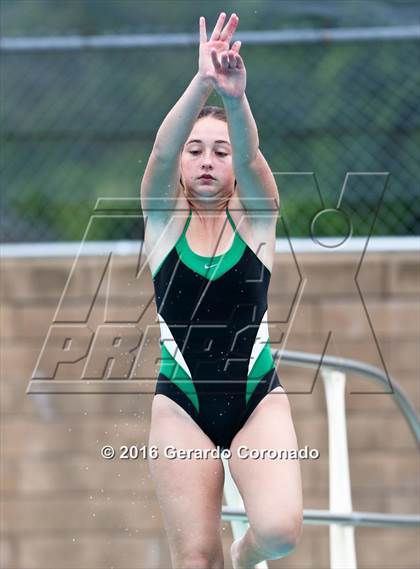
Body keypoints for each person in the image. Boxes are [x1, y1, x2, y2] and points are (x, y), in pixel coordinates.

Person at [141, 12, 303, 569]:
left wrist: (234, 98)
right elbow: (159, 153)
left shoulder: (257, 222)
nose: (207, 160)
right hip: (181, 403)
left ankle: (245, 553)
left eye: (220, 151)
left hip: (257, 395)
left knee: (279, 533)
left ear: (235, 168)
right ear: (182, 166)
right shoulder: (162, 222)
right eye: (196, 151)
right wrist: (201, 82)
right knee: (196, 559)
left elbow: (255, 157)